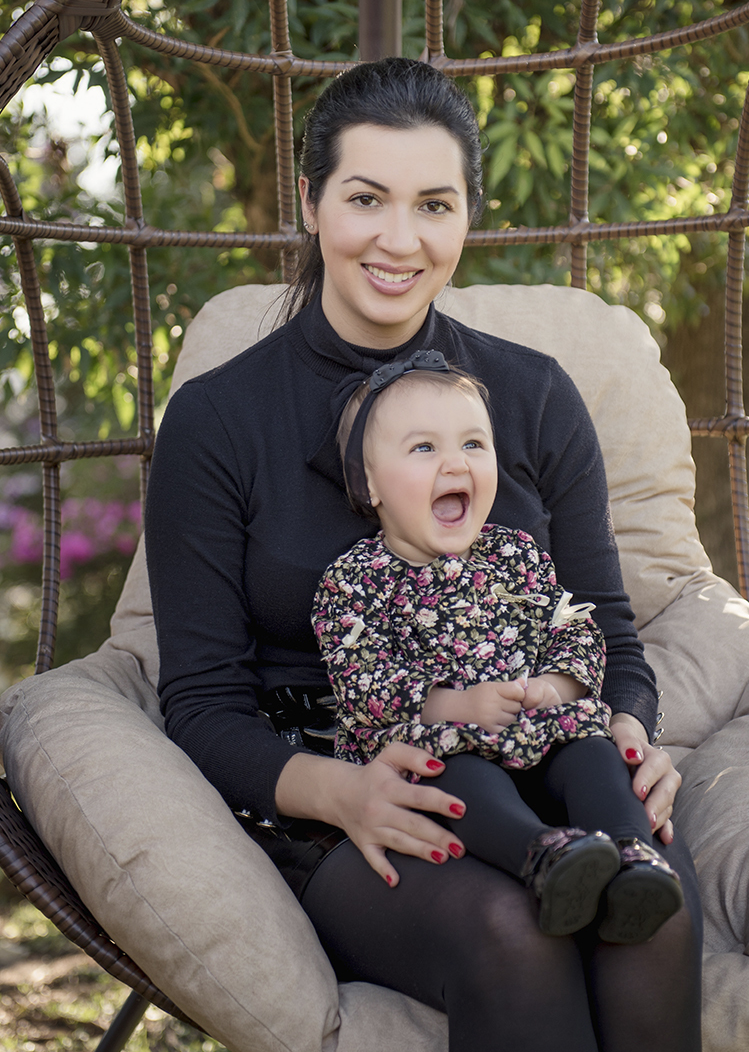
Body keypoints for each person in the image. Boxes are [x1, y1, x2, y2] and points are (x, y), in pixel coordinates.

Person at [146, 56, 702, 1051]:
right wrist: (339, 791)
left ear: (465, 219)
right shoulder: (219, 420)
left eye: (433, 204)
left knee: (646, 922)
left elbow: (603, 629)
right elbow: (199, 700)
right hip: (348, 792)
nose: (398, 240)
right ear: (311, 202)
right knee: (510, 932)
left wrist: (625, 733)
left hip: (550, 764)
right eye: (366, 198)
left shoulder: (530, 397)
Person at [312, 357, 684, 943]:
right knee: (456, 777)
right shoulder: (354, 580)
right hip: (441, 741)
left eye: (473, 444)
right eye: (423, 449)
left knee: (591, 753)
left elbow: (575, 628)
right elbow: (361, 680)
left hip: (538, 730)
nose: (456, 462)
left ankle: (631, 855)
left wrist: (555, 688)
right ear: (368, 483)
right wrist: (456, 707)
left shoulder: (515, 554)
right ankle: (542, 856)